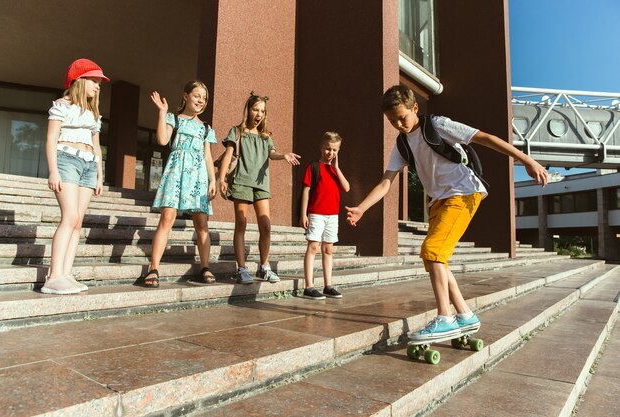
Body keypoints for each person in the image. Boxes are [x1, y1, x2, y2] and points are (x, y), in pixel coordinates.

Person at [346, 85, 548, 342]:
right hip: (438, 202)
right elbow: (387, 181)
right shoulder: (401, 145)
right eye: (392, 120)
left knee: (432, 251)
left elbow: (484, 137)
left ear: (415, 108)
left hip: (463, 192)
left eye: (402, 117)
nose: (398, 124)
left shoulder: (438, 125)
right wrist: (362, 208)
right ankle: (464, 315)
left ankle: (445, 318)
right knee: (435, 259)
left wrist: (526, 160)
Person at [217, 92, 301, 284]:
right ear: (248, 110)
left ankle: (264, 267)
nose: (259, 114)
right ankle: (241, 269)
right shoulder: (237, 132)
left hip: (261, 184)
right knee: (242, 224)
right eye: (256, 109)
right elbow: (228, 155)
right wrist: (221, 179)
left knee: (266, 227)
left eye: (262, 111)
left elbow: (272, 154)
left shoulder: (265, 136)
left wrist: (284, 156)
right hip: (241, 182)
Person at [42, 58, 110, 294]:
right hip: (67, 160)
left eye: (99, 82)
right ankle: (53, 276)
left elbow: (97, 146)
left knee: (78, 221)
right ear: (79, 81)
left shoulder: (93, 114)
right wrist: (53, 170)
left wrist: (100, 176)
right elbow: (51, 139)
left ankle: (66, 274)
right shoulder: (61, 106)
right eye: (94, 80)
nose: (98, 85)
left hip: (89, 166)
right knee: (69, 217)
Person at [142, 81, 217, 287]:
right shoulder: (173, 118)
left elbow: (208, 156)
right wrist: (162, 112)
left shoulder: (206, 127)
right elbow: (162, 140)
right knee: (167, 218)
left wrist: (213, 180)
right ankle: (153, 267)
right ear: (185, 96)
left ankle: (205, 266)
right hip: (176, 172)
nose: (201, 100)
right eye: (197, 96)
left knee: (201, 223)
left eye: (204, 98)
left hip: (198, 176)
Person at [300, 132, 350, 300]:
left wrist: (336, 167)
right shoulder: (313, 166)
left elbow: (346, 187)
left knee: (328, 249)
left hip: (332, 216)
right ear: (322, 147)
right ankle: (309, 286)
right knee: (313, 247)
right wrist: (303, 214)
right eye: (328, 149)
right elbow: (306, 191)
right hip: (316, 214)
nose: (331, 153)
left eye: (335, 150)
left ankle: (328, 285)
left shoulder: (335, 170)